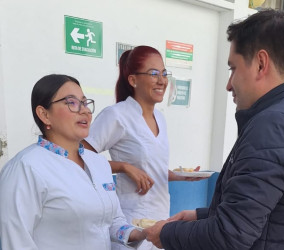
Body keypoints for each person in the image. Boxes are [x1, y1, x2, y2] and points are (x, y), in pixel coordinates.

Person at [144, 9, 284, 250]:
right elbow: (269, 210)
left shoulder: (275, 125)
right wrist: (203, 215)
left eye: (233, 68)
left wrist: (168, 234)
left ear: (261, 64)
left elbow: (230, 235)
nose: (228, 84)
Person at [0, 74, 145, 250]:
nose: (84, 110)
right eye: (72, 103)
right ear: (44, 115)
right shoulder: (26, 168)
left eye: (84, 103)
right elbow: (17, 241)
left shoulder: (98, 163)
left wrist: (140, 234)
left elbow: (112, 221)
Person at [82, 45, 203, 250]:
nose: (162, 80)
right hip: (131, 223)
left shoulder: (160, 119)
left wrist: (178, 175)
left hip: (161, 220)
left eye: (164, 73)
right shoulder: (117, 115)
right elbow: (79, 157)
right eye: (154, 73)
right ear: (133, 80)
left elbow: (150, 168)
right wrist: (124, 167)